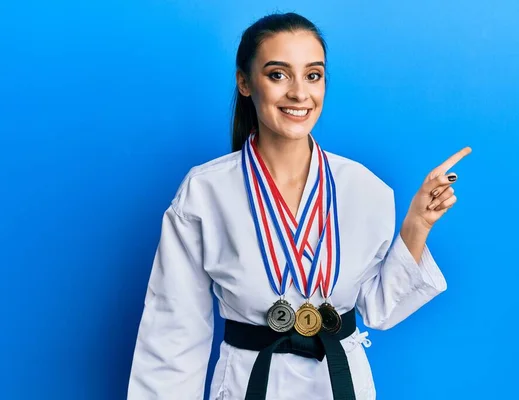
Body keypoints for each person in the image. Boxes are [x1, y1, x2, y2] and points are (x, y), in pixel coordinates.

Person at [127, 11, 471, 400]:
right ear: (244, 82)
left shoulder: (365, 188)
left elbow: (379, 311)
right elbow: (173, 331)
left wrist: (416, 226)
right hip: (247, 385)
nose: (299, 93)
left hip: (339, 385)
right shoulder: (205, 192)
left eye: (313, 75)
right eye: (278, 74)